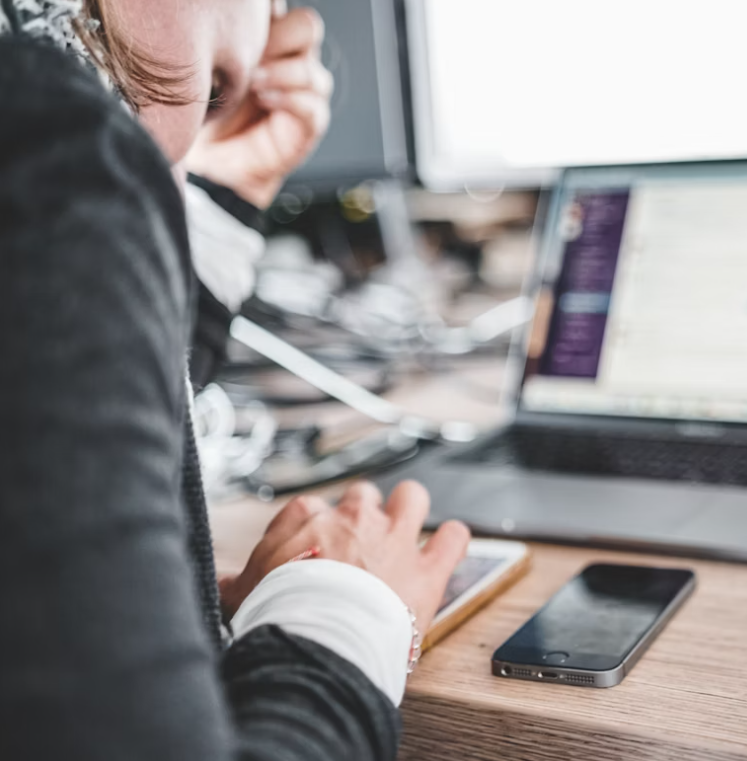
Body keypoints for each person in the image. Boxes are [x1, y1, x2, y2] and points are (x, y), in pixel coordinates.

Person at [0, 2, 469, 759]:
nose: (180, 147)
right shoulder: (37, 140)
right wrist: (341, 608)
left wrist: (222, 199)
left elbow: (36, 387)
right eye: (215, 91)